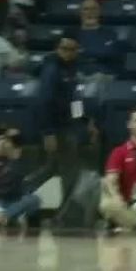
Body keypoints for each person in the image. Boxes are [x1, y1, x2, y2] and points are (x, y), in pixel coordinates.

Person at [38, 37, 94, 217]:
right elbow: (45, 102)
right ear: (57, 49)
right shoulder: (52, 70)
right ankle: (65, 214)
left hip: (70, 127)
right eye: (64, 48)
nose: (68, 53)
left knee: (51, 168)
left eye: (72, 49)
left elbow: (75, 100)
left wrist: (83, 122)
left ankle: (20, 192)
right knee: (69, 172)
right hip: (58, 129)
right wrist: (48, 132)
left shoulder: (72, 70)